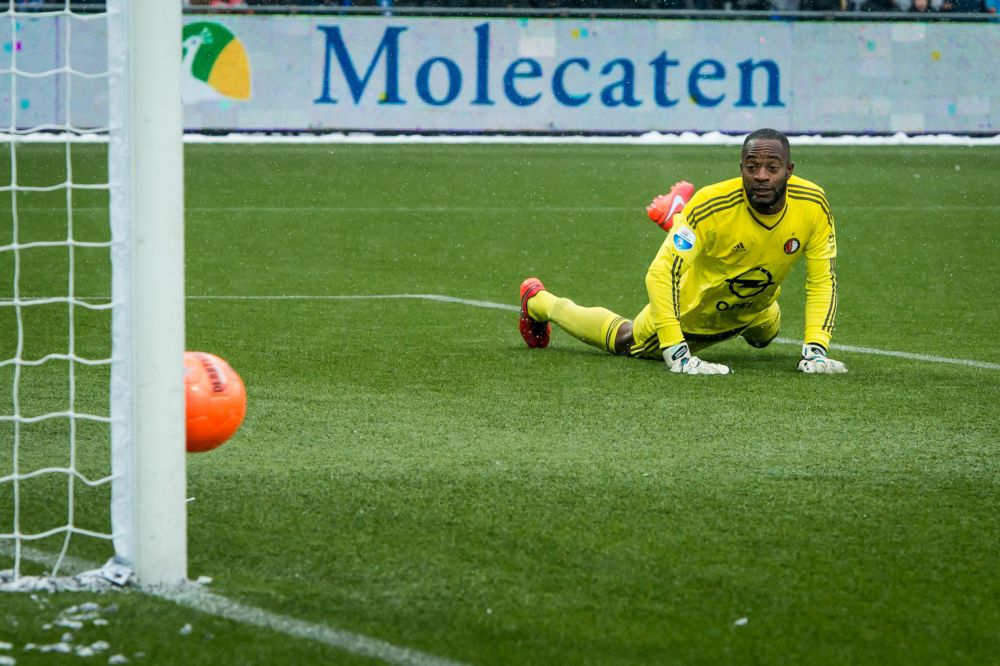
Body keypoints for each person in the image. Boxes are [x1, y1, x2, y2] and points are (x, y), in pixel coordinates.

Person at [518, 128, 847, 375]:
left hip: (758, 308)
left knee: (765, 338)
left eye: (771, 168)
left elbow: (822, 279)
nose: (761, 176)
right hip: (695, 312)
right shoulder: (712, 203)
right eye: (751, 167)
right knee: (625, 340)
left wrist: (816, 347)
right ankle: (539, 302)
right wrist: (676, 349)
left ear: (789, 171)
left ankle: (676, 216)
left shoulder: (813, 203)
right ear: (740, 168)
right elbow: (661, 273)